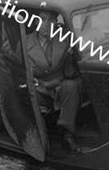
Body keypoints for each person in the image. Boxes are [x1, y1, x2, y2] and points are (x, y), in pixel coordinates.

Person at [26, 10, 82, 154]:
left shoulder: (65, 39)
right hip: (36, 90)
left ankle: (67, 134)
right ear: (36, 21)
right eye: (42, 19)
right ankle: (35, 136)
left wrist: (71, 57)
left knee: (73, 85)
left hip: (58, 87)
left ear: (56, 23)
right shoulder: (24, 42)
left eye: (51, 20)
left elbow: (71, 69)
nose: (46, 24)